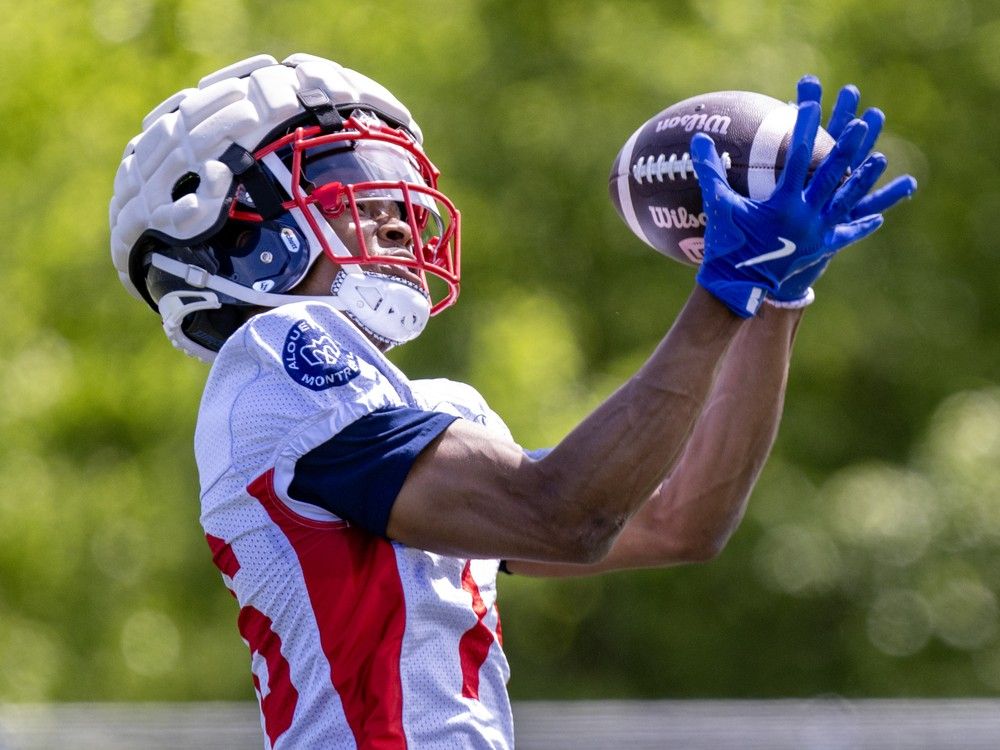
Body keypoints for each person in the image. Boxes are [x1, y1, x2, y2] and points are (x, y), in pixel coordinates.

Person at [109, 53, 916, 749]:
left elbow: (685, 521)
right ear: (236, 234)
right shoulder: (276, 360)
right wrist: (724, 295)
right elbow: (565, 513)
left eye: (398, 190)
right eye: (347, 178)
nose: (392, 213)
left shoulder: (410, 415)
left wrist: (776, 297)